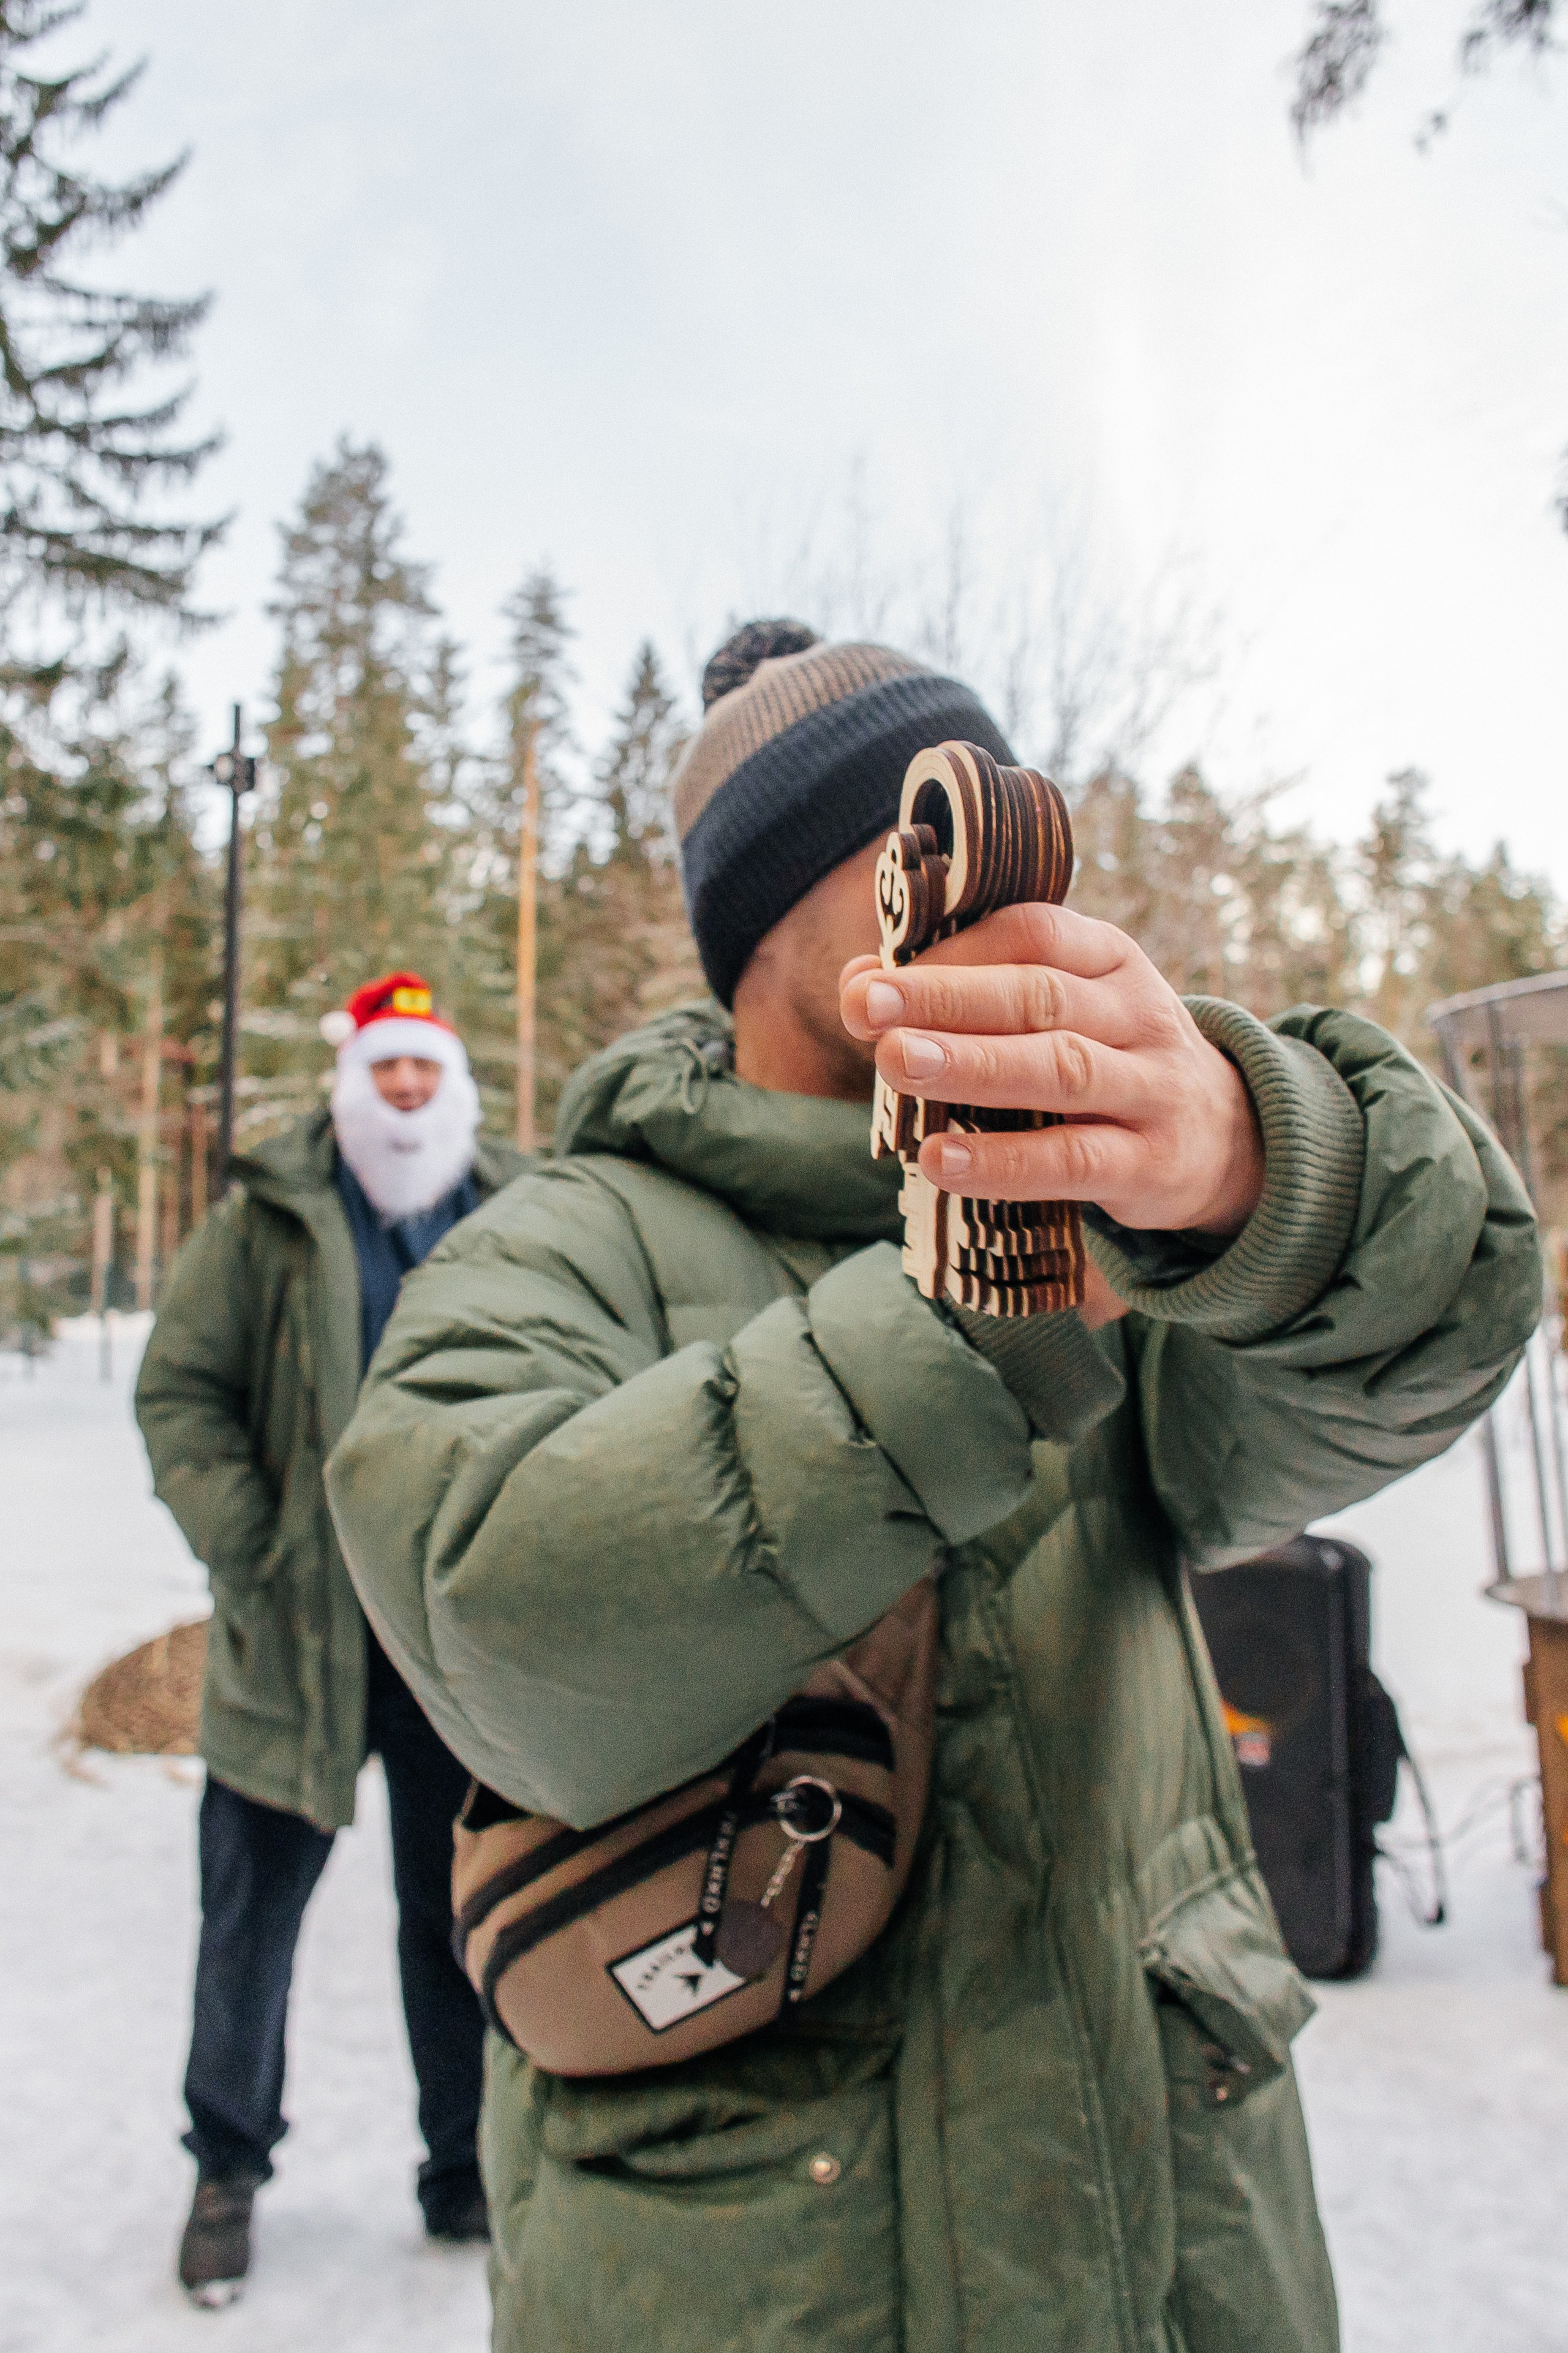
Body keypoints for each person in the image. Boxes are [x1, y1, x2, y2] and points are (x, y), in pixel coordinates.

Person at [325, 627, 1540, 2353]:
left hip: (1178, 2263)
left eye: (1006, 815)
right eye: (916, 827)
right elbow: (499, 1628)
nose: (989, 873)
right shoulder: (566, 1237)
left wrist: (1267, 1176)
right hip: (754, 2280)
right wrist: (979, 1301)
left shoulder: (1119, 1212)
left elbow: (1441, 1336)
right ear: (764, 906)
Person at [135, 972, 525, 2305]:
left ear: (453, 1083)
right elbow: (180, 1389)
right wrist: (250, 1546)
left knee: (460, 1913)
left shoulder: (517, 1210)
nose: (407, 1095)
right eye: (386, 1074)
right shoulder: (266, 1220)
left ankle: (464, 2167)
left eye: (427, 1072)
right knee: (249, 1916)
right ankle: (227, 2166)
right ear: (354, 1087)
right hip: (291, 1635)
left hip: (450, 1638)